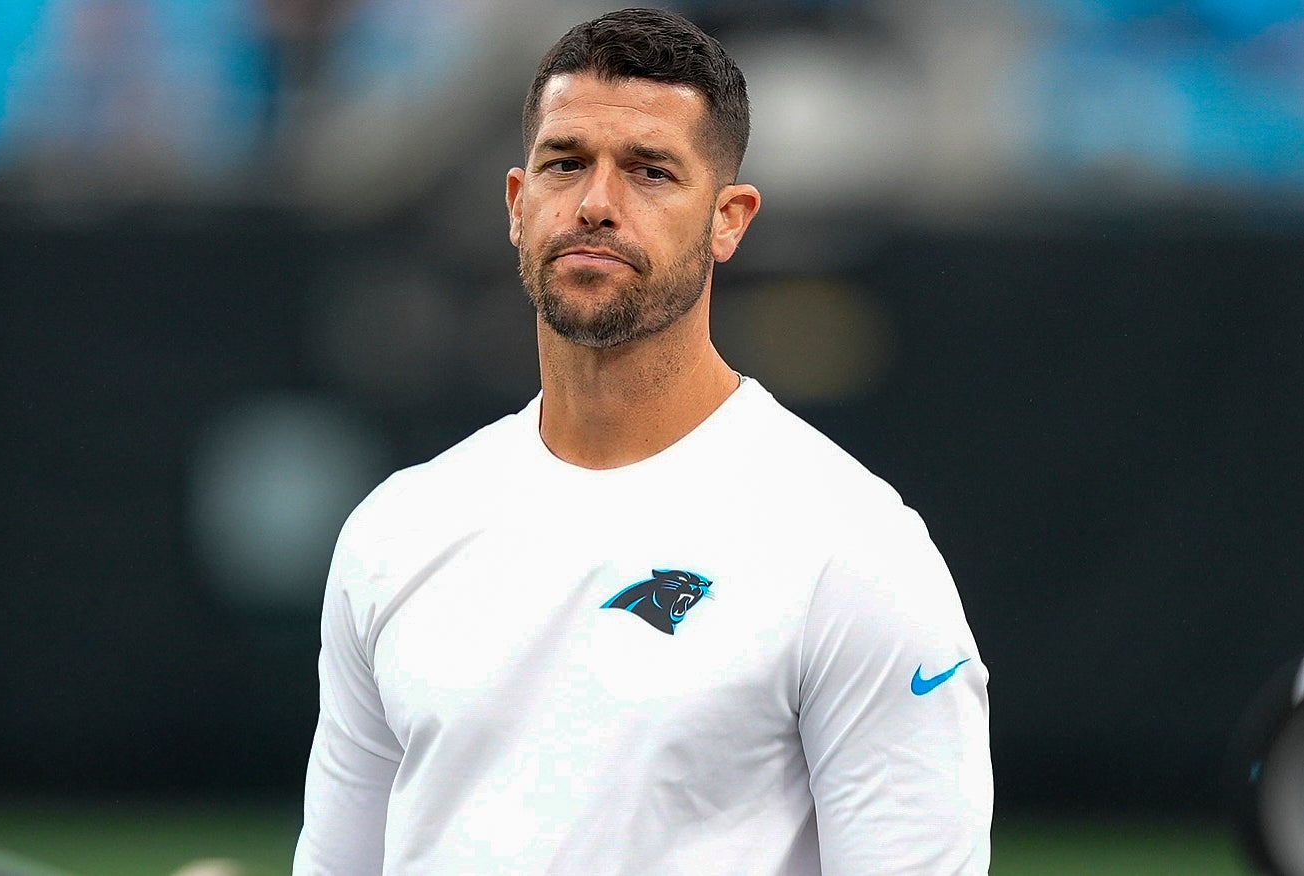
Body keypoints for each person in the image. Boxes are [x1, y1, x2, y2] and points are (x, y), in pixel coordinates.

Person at [293, 7, 992, 874]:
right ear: (518, 205)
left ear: (729, 219)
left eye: (650, 170)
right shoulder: (395, 534)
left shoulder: (849, 545)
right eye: (565, 163)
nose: (595, 203)